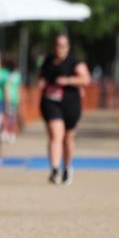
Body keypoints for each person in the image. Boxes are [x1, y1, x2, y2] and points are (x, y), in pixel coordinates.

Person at [37, 33, 91, 185]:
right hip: (51, 102)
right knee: (55, 134)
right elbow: (42, 77)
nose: (59, 48)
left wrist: (68, 80)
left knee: (68, 138)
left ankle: (67, 167)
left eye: (63, 46)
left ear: (68, 47)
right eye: (57, 45)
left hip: (70, 103)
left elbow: (86, 79)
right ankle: (54, 170)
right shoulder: (48, 60)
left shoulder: (75, 62)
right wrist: (41, 82)